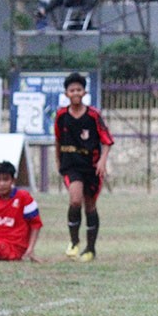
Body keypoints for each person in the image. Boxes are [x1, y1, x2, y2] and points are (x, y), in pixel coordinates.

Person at [54, 72, 113, 262]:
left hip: (91, 167)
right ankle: (74, 241)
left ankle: (90, 249)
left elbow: (107, 141)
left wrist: (103, 160)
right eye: (72, 90)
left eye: (79, 89)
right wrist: (58, 161)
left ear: (84, 92)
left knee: (90, 206)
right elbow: (57, 139)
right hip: (71, 165)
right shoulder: (61, 116)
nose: (75, 93)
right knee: (75, 200)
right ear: (66, 93)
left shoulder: (93, 115)